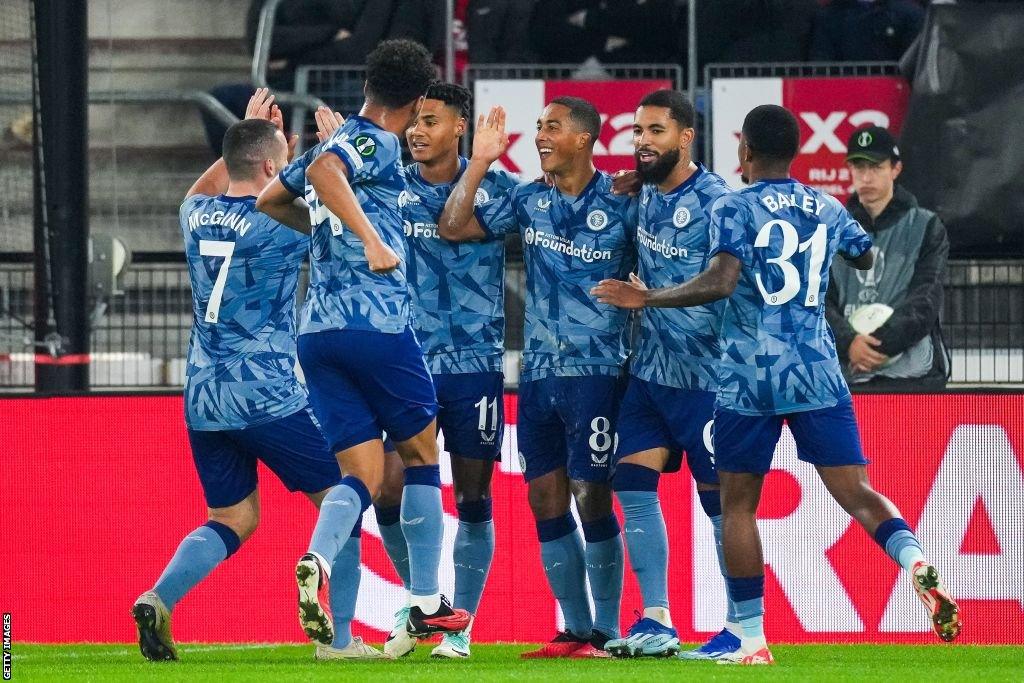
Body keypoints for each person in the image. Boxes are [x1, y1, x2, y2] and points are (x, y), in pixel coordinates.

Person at [592, 104, 960, 665]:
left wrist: (648, 297)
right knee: (856, 492)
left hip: (749, 375)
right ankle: (913, 559)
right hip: (817, 369)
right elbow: (862, 255)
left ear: (744, 150)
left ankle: (748, 634)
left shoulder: (732, 206)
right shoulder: (826, 203)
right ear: (796, 152)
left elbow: (720, 281)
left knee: (738, 507)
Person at [132, 91, 380, 661]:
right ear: (272, 166)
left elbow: (208, 184)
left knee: (232, 517)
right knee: (344, 497)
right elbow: (334, 203)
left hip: (203, 395)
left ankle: (159, 598)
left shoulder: (194, 214)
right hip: (267, 393)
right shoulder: (282, 222)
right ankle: (339, 642)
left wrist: (246, 136)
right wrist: (335, 146)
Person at [255, 40, 473, 645]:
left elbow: (272, 198)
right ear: (419, 97)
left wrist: (336, 232)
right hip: (375, 328)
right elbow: (327, 172)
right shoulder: (371, 140)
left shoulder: (349, 142)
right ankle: (427, 602)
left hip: (318, 334)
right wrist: (370, 240)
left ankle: (316, 561)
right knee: (423, 456)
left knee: (364, 474)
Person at [438, 98, 636, 658]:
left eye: (554, 127)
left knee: (591, 496)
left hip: (599, 370)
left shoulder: (623, 202)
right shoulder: (528, 200)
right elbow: (452, 226)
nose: (541, 135)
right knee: (545, 498)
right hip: (538, 374)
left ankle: (612, 630)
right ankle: (575, 632)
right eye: (541, 126)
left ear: (585, 138)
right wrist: (477, 163)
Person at [371, 82, 520, 660]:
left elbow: (473, 224)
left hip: (475, 365)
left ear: (461, 127)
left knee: (474, 499)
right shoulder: (388, 189)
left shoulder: (498, 189)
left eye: (430, 120)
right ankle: (422, 603)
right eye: (413, 120)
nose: (416, 130)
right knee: (387, 492)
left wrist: (482, 166)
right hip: (405, 361)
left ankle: (461, 625)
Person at [593, 90, 739, 660]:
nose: (642, 141)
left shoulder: (718, 201)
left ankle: (739, 625)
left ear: (685, 137)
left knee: (720, 505)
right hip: (650, 375)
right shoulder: (645, 193)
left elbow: (722, 283)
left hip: (707, 381)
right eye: (637, 131)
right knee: (630, 486)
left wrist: (647, 298)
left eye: (655, 131)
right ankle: (655, 618)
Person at [826, 125, 949, 389]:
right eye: (859, 168)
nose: (866, 178)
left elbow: (925, 299)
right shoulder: (831, 230)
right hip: (848, 374)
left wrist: (873, 346)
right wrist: (849, 344)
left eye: (876, 167)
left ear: (896, 169)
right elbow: (819, 301)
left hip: (913, 375)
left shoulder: (926, 226)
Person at [810, 0, 925, 62]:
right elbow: (821, 67)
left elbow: (915, 67)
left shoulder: (910, 15)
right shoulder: (828, 16)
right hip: (842, 97)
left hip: (896, 97)